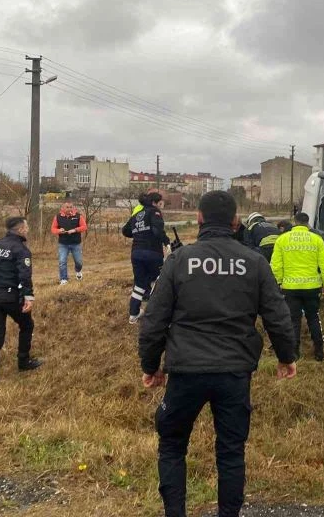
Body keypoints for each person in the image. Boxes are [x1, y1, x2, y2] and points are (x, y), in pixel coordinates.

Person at [138, 191, 297, 517]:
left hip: (185, 372)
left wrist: (151, 366)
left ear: (198, 218)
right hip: (234, 373)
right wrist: (286, 356)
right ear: (235, 221)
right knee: (231, 451)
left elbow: (154, 320)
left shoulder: (179, 262)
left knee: (171, 444)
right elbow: (277, 315)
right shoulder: (254, 262)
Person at [0, 216, 42, 387]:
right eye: (26, 227)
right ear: (20, 230)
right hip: (11, 297)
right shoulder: (21, 250)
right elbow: (24, 276)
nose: (27, 229)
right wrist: (28, 297)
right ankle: (23, 362)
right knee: (27, 325)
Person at [271, 212, 324, 361]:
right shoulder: (317, 239)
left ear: (294, 222)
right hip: (312, 287)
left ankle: (294, 353)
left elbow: (276, 266)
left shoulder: (282, 240)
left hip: (290, 288)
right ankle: (319, 352)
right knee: (313, 317)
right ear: (307, 223)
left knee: (293, 320)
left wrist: (279, 282)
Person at [122, 192, 170, 324]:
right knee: (157, 282)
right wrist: (166, 242)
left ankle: (133, 314)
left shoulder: (137, 214)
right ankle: (157, 314)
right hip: (152, 252)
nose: (161, 206)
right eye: (161, 203)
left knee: (139, 284)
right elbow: (157, 230)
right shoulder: (154, 212)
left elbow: (125, 231)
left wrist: (139, 234)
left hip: (136, 253)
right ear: (156, 202)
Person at [51, 201, 87, 285]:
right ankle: (64, 279)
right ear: (63, 208)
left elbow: (84, 227)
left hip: (76, 243)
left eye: (71, 207)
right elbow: (53, 229)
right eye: (67, 207)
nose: (69, 209)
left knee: (79, 262)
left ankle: (78, 271)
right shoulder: (58, 217)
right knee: (62, 261)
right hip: (63, 244)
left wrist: (75, 230)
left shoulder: (78, 216)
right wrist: (59, 230)